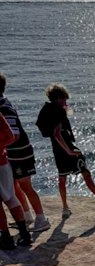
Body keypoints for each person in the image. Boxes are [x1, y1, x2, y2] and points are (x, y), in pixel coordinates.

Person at [36, 84, 95, 219]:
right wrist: (69, 151)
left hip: (57, 150)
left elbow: (52, 134)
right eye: (64, 99)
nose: (66, 102)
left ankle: (65, 208)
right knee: (86, 173)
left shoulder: (47, 110)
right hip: (67, 147)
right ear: (58, 98)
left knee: (62, 178)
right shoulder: (58, 111)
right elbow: (58, 133)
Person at [0, 72, 50, 232]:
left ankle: (41, 218)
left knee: (25, 185)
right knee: (15, 185)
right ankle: (26, 215)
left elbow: (13, 135)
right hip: (13, 152)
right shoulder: (3, 103)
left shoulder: (4, 108)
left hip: (20, 152)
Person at [0, 113, 32, 249]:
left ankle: (6, 238)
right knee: (11, 197)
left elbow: (11, 136)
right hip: (3, 161)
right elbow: (11, 136)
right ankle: (24, 235)